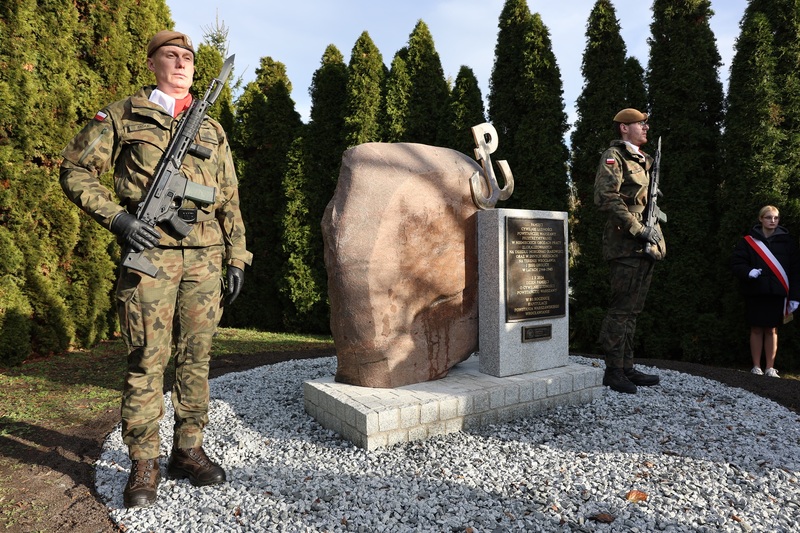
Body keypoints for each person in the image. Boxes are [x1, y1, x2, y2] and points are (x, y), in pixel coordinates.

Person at [60, 30, 252, 508]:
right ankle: (143, 460)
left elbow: (228, 197)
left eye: (188, 57)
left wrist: (237, 256)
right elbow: (75, 170)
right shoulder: (124, 114)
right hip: (150, 259)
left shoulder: (211, 128)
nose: (182, 63)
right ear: (152, 63)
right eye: (171, 55)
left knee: (196, 358)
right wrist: (120, 219)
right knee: (147, 358)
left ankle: (188, 450)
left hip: (205, 260)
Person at [593, 108, 666, 394]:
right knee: (620, 310)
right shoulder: (615, 158)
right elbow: (606, 198)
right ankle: (613, 370)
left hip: (644, 242)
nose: (646, 127)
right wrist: (638, 229)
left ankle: (627, 366)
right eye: (640, 123)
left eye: (647, 123)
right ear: (624, 128)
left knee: (633, 311)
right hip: (625, 243)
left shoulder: (643, 160)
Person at [731, 205, 800, 378]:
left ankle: (770, 367)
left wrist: (795, 296)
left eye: (776, 218)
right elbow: (737, 263)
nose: (772, 221)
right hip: (756, 291)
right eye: (769, 217)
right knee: (756, 329)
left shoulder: (788, 242)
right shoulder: (748, 241)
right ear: (761, 219)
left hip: (777, 293)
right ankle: (756, 367)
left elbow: (795, 270)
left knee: (772, 330)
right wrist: (748, 272)